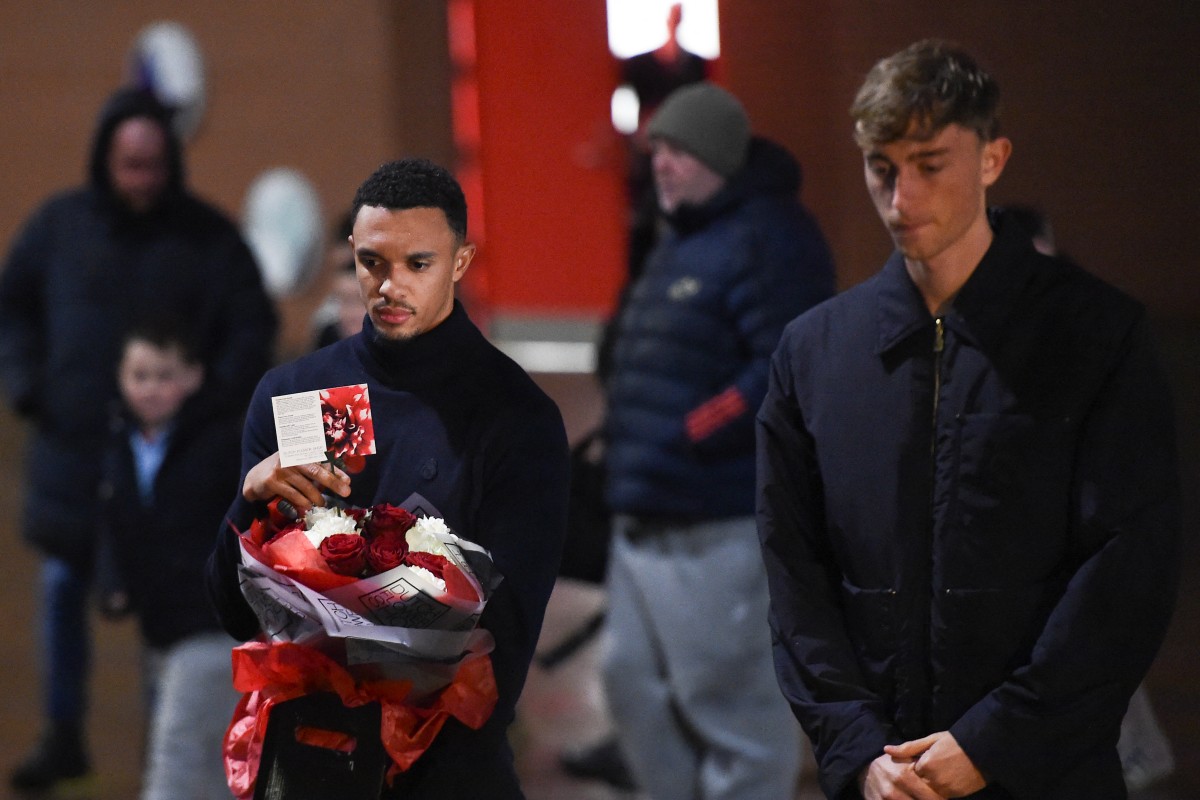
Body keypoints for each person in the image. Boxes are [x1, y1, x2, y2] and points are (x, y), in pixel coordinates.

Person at [756, 39, 1180, 799]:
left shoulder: (1094, 334)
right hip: (882, 777)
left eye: (928, 164)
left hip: (1047, 775)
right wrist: (857, 750)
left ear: (992, 158)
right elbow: (794, 573)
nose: (900, 198)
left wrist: (994, 741)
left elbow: (1129, 568)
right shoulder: (815, 354)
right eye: (882, 167)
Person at [205, 157, 571, 799]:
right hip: (309, 759)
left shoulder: (515, 417)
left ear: (460, 261)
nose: (389, 286)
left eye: (417, 264)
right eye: (372, 262)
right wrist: (249, 505)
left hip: (446, 769)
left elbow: (502, 650)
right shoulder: (302, 393)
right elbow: (237, 613)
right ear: (350, 252)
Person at [0, 85, 277, 792]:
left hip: (174, 479)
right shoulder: (59, 227)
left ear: (171, 162)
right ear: (106, 159)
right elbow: (14, 306)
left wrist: (210, 407)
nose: (141, 180)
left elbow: (252, 328)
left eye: (152, 165)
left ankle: (169, 746)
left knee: (171, 620)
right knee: (63, 595)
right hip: (75, 464)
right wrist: (28, 384)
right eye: (129, 165)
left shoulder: (210, 241)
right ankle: (63, 734)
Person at [598, 81, 835, 800]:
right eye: (655, 151)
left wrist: (692, 434)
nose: (660, 165)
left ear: (717, 157)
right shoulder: (687, 235)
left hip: (716, 517)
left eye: (675, 151)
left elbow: (785, 368)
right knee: (629, 682)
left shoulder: (769, 237)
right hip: (647, 517)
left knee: (734, 714)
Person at [96, 321, 243, 800]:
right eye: (140, 376)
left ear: (194, 377)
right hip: (157, 626)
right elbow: (113, 526)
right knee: (205, 749)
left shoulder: (223, 443)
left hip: (209, 625)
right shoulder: (120, 442)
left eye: (165, 375)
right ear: (120, 376)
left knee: (176, 754)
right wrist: (114, 583)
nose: (152, 389)